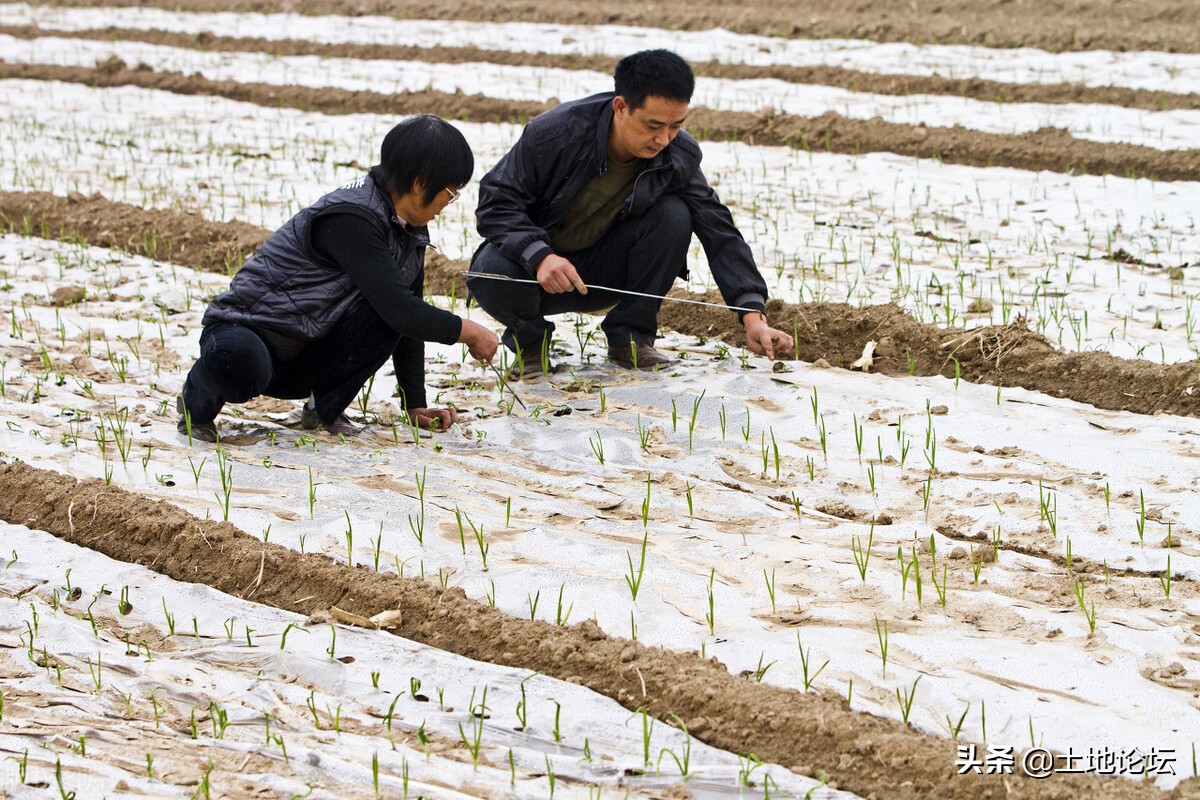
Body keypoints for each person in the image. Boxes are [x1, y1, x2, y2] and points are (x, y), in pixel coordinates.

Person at [467, 49, 793, 379]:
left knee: (675, 214)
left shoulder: (677, 154)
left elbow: (718, 228)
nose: (663, 139)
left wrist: (752, 314)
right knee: (492, 272)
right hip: (536, 275)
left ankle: (631, 338)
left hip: (603, 273)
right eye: (653, 125)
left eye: (676, 126)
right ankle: (530, 345)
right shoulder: (556, 134)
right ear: (621, 107)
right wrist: (540, 256)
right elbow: (496, 202)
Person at [177, 115, 499, 443]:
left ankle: (323, 409)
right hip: (248, 334)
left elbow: (406, 315)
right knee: (242, 361)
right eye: (451, 192)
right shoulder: (352, 218)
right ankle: (195, 404)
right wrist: (468, 331)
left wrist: (415, 404)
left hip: (303, 350)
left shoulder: (407, 230)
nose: (448, 203)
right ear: (420, 183)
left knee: (386, 313)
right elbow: (401, 310)